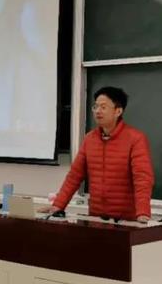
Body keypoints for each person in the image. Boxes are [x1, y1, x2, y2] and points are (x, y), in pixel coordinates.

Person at [41, 86, 154, 223]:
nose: (98, 111)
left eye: (103, 107)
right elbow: (74, 176)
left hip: (126, 220)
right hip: (96, 218)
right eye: (95, 107)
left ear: (118, 111)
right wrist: (58, 205)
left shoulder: (135, 139)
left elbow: (142, 179)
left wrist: (143, 213)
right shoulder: (90, 139)